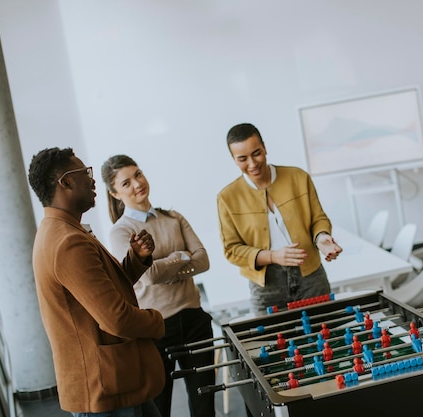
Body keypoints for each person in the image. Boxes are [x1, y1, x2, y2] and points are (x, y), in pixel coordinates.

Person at [27, 147, 165, 417]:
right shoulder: (68, 241)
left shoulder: (61, 230)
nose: (92, 180)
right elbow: (117, 319)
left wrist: (135, 260)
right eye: (84, 172)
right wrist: (158, 320)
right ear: (65, 181)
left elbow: (101, 295)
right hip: (106, 390)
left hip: (114, 384)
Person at [101, 155, 215, 417]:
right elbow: (148, 275)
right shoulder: (120, 232)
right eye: (126, 182)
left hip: (195, 319)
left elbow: (204, 260)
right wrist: (180, 256)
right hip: (155, 327)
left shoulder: (173, 217)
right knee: (159, 407)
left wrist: (167, 268)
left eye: (138, 174)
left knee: (205, 403)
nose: (137, 184)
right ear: (114, 192)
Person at [217, 122, 342, 314]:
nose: (252, 164)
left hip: (311, 275)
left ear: (265, 147)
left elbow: (318, 218)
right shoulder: (227, 198)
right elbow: (232, 250)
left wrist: (322, 238)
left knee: (324, 334)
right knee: (272, 341)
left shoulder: (298, 177)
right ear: (233, 159)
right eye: (242, 158)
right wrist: (273, 256)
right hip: (266, 285)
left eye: (256, 153)